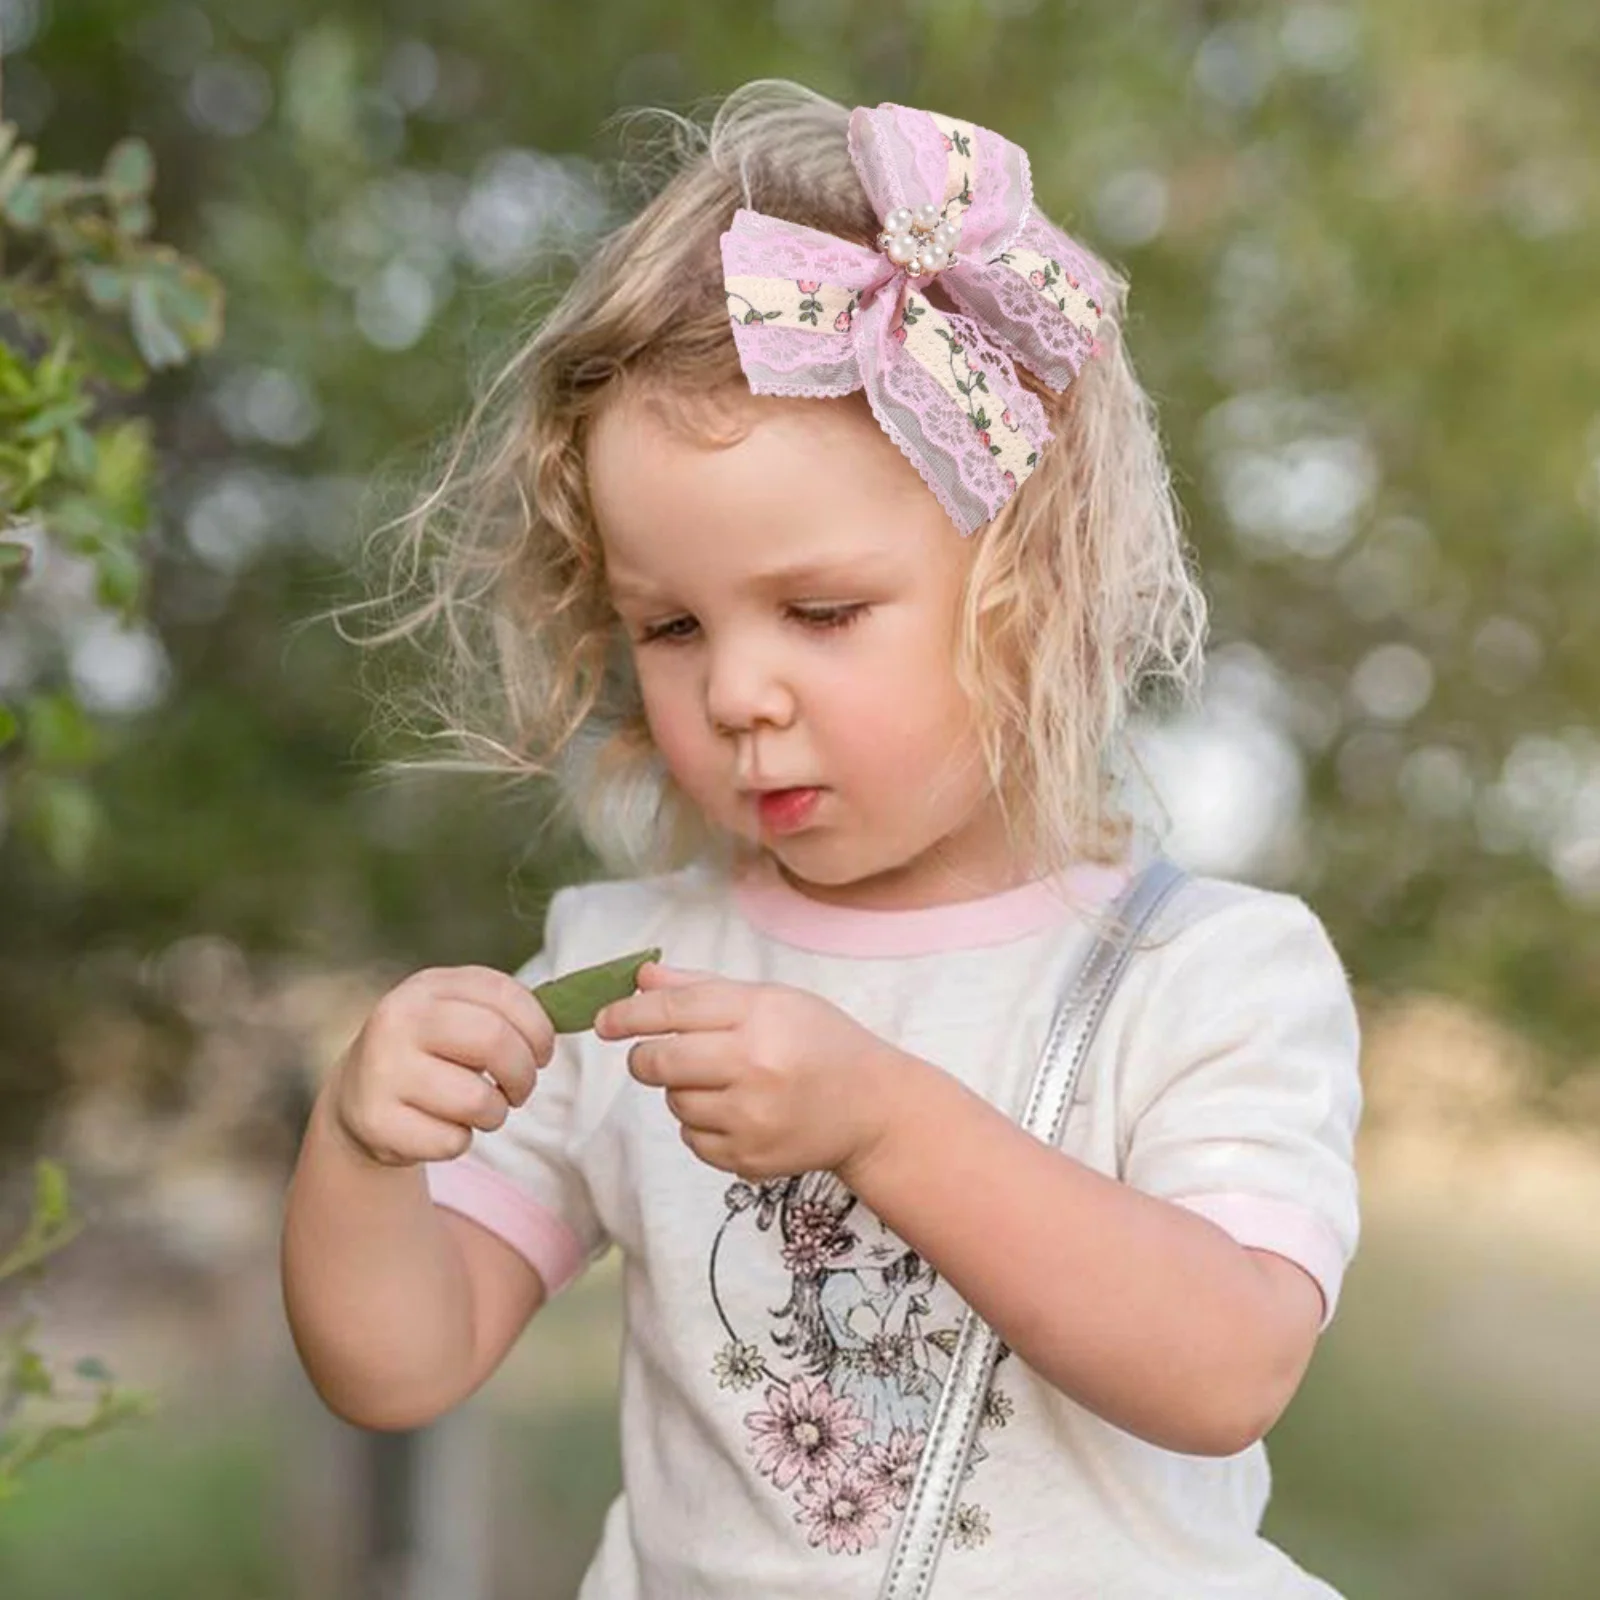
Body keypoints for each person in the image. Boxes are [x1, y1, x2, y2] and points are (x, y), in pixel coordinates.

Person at [282, 81, 1362, 1599]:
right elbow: (400, 1364)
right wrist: (357, 1151)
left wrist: (881, 1122)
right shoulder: (627, 968)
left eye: (821, 612)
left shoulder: (1209, 972)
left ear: (1030, 589)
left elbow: (1230, 1364)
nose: (733, 692)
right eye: (668, 625)